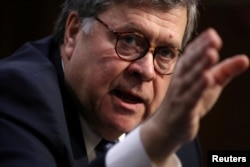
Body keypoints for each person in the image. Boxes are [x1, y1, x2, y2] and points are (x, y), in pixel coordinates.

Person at [0, 0, 249, 167]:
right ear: (74, 33)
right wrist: (151, 143)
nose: (146, 71)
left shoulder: (174, 125)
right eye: (129, 40)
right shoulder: (16, 95)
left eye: (165, 53)